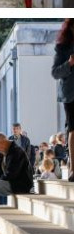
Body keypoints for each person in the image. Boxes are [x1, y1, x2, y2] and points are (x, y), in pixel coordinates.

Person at [51, 18, 74, 181]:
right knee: (73, 129)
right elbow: (55, 72)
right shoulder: (62, 47)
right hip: (71, 94)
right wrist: (69, 63)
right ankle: (73, 168)